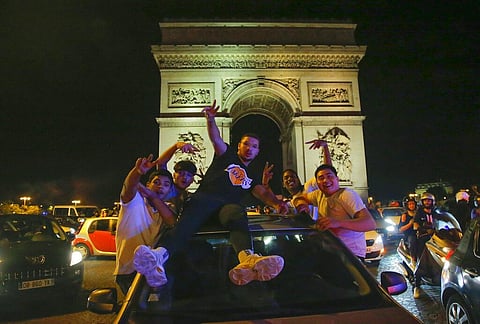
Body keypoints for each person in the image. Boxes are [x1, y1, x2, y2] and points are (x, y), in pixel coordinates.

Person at [133, 99, 289, 288]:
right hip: (204, 201)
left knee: (237, 213)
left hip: (226, 209)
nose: (250, 148)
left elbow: (263, 193)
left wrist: (277, 204)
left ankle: (247, 258)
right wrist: (210, 119)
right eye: (246, 144)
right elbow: (215, 138)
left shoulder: (252, 176)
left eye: (254, 146)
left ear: (258, 152)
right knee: (189, 219)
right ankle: (159, 255)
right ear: (238, 146)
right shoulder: (227, 155)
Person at [114, 155, 177, 295]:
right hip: (129, 272)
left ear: (170, 190)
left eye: (166, 185)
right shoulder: (134, 202)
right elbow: (129, 187)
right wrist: (138, 172)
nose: (161, 187)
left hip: (155, 271)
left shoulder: (166, 208)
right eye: (156, 182)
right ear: (148, 185)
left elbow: (172, 222)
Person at [291, 164, 376, 261]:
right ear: (317, 183)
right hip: (330, 250)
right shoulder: (319, 194)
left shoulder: (347, 195)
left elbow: (370, 224)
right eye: (321, 178)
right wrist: (301, 204)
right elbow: (298, 198)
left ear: (337, 179)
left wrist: (338, 223)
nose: (325, 180)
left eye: (329, 176)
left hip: (350, 254)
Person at [262, 139, 332, 218]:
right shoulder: (288, 202)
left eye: (292, 176)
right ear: (283, 184)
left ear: (298, 180)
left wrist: (325, 148)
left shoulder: (308, 188)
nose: (289, 179)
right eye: (286, 178)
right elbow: (271, 199)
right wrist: (265, 184)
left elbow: (327, 171)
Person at [412, 192, 436, 299]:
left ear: (432, 202)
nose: (427, 202)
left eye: (429, 200)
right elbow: (415, 224)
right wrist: (422, 228)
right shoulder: (419, 212)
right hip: (423, 237)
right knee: (422, 259)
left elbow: (443, 220)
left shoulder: (436, 212)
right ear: (422, 202)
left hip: (436, 237)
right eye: (425, 200)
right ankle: (417, 286)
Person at [398, 197, 418, 268]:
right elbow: (400, 229)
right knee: (412, 241)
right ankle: (413, 260)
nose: (411, 206)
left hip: (420, 233)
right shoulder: (404, 216)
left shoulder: (418, 213)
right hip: (410, 234)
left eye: (413, 204)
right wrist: (410, 224)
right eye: (409, 204)